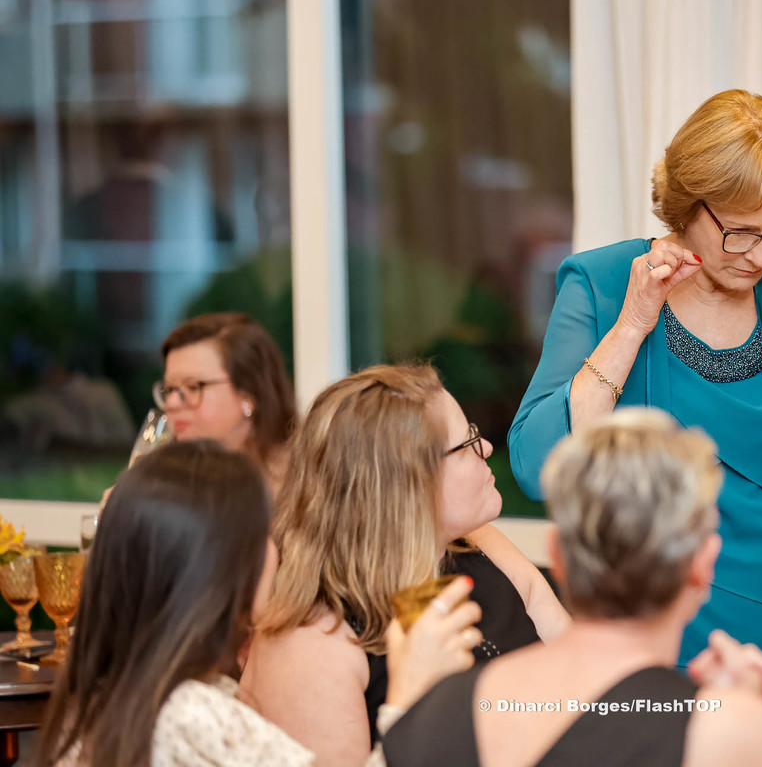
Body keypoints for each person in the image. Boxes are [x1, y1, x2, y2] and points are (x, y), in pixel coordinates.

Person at [508, 88, 762, 695]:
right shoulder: (603, 285)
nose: (760, 254)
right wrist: (630, 327)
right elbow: (535, 464)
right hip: (666, 644)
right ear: (688, 206)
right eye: (740, 232)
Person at [385, 409, 762, 766]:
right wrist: (740, 714)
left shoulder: (447, 707)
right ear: (703, 563)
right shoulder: (728, 733)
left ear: (559, 558)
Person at [35, 440, 479, 767]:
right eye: (263, 533)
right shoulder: (187, 715)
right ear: (218, 567)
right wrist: (409, 697)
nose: (276, 548)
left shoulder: (111, 697)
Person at [242, 364, 570, 767]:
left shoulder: (479, 545)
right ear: (408, 486)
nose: (485, 446)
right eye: (465, 442)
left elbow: (582, 672)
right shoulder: (313, 638)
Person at [156, 312, 295, 496]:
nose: (172, 403)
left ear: (248, 397)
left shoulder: (303, 483)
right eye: (170, 389)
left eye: (193, 387)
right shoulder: (168, 476)